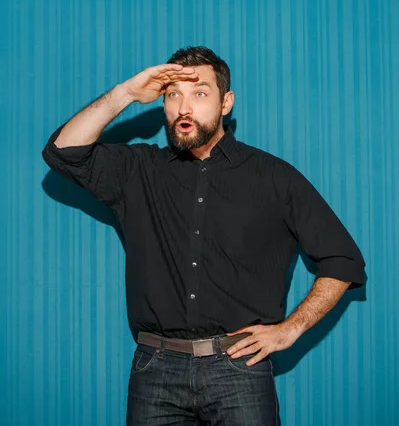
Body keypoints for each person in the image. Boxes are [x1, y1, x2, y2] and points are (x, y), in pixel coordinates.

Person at [42, 46, 365, 426]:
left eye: (199, 94)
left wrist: (290, 329)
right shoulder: (138, 171)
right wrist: (126, 93)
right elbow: (63, 151)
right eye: (173, 94)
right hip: (155, 372)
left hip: (240, 371)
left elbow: (343, 260)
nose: (184, 108)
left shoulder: (274, 178)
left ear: (226, 102)